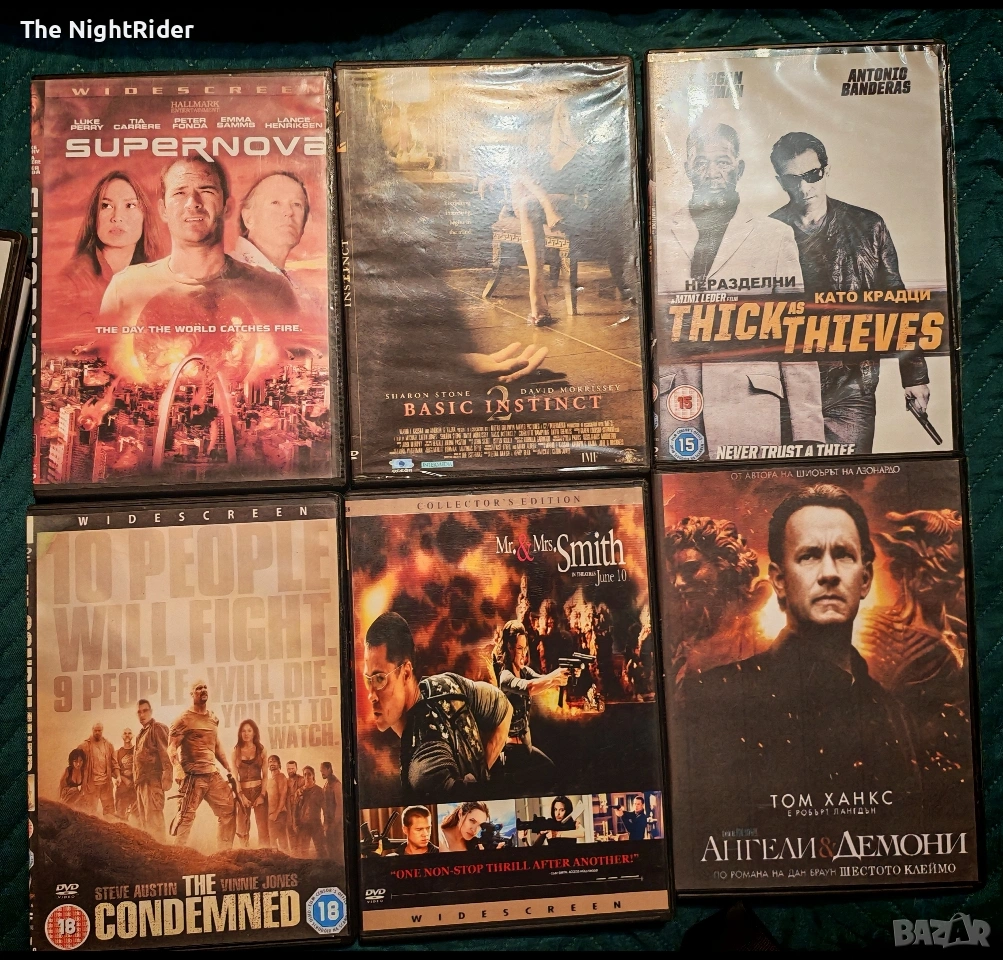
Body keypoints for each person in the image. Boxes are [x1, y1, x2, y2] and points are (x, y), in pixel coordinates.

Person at [683, 484, 920, 800]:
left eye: (843, 555)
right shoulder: (716, 697)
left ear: (865, 580)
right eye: (809, 556)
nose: (829, 573)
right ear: (779, 580)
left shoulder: (894, 714)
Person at [657, 122, 823, 454]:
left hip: (750, 407)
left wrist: (809, 431)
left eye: (722, 161)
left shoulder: (774, 236)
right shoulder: (658, 233)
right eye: (701, 162)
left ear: (740, 168)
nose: (712, 172)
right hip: (677, 404)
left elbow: (795, 335)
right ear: (687, 169)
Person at [769, 131, 932, 454]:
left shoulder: (867, 226)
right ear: (779, 181)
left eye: (812, 175)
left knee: (849, 474)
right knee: (790, 476)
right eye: (792, 179)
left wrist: (914, 376)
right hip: (787, 389)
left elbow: (897, 305)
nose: (804, 187)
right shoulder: (766, 233)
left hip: (852, 385)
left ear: (826, 170)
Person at [363, 611, 512, 797]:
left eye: (380, 678)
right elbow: (504, 706)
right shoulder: (446, 684)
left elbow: (504, 708)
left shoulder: (423, 767)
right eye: (368, 679)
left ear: (406, 673)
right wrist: (482, 772)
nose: (371, 695)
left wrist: (482, 773)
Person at [662, 516, 772, 682]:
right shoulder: (685, 646)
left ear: (723, 564)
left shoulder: (763, 638)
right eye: (673, 575)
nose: (678, 583)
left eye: (690, 569)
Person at [52, 171, 161, 322]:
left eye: (130, 205)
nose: (117, 217)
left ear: (145, 215)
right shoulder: (73, 281)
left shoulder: (156, 275)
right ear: (94, 216)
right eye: (106, 205)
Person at [493, 620, 568, 782]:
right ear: (509, 648)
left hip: (526, 747)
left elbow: (542, 681)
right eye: (519, 648)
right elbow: (530, 687)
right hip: (512, 751)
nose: (524, 653)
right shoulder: (505, 676)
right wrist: (555, 676)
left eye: (525, 648)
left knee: (552, 771)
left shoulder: (525, 672)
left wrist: (562, 676)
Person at [167, 679, 236, 849]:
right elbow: (171, 747)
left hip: (212, 774)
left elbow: (216, 745)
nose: (203, 690)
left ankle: (224, 853)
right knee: (185, 816)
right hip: (192, 777)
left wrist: (228, 768)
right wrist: (177, 768)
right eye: (198, 688)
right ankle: (177, 855)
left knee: (228, 809)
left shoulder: (213, 718)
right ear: (192, 694)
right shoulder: (183, 719)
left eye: (205, 687)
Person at [232, 171, 309, 273]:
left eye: (296, 204)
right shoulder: (230, 273)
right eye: (275, 202)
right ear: (249, 218)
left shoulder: (281, 279)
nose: (289, 212)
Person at [134, 698, 171, 840]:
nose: (142, 715)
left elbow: (165, 753)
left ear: (151, 711)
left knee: (155, 824)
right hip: (141, 783)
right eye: (139, 712)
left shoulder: (157, 728)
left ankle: (161, 852)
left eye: (145, 711)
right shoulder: (140, 734)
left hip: (153, 782)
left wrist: (167, 777)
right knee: (145, 826)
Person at [232, 719, 269, 848]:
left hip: (259, 790)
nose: (246, 733)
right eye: (243, 731)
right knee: (242, 828)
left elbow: (265, 775)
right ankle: (245, 853)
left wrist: (262, 795)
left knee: (263, 827)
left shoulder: (261, 750)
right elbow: (235, 778)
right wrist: (241, 796)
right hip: (243, 792)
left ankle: (265, 855)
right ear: (240, 733)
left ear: (254, 733)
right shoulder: (236, 752)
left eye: (249, 730)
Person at [77, 722, 119, 818]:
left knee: (109, 814)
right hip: (91, 786)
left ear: (102, 731)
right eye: (95, 730)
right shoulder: (85, 746)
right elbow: (76, 762)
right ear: (92, 730)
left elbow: (114, 763)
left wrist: (118, 776)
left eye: (99, 730)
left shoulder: (108, 745)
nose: (97, 732)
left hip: (106, 785)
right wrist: (79, 781)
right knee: (90, 814)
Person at [293, 766, 325, 858]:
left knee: (320, 850)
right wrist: (296, 824)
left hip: (316, 824)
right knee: (304, 851)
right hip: (304, 825)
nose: (307, 776)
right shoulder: (299, 792)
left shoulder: (319, 791)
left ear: (313, 775)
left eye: (309, 774)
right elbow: (295, 810)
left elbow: (325, 809)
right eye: (305, 774)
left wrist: (325, 823)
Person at [265, 755, 290, 853]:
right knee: (273, 844)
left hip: (280, 814)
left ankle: (287, 860)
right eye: (270, 762)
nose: (272, 763)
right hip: (271, 816)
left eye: (274, 761)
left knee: (282, 842)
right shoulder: (269, 780)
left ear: (279, 764)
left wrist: (276, 813)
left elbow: (283, 796)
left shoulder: (281, 777)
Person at [115, 728, 137, 821]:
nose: (127, 735)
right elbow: (113, 770)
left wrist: (133, 773)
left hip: (135, 787)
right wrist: (124, 779)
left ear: (133, 735)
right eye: (125, 733)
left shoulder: (137, 750)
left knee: (137, 816)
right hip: (122, 789)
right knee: (120, 815)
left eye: (129, 733)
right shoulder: (117, 752)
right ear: (122, 736)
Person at [320, 761, 341, 856]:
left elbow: (339, 806)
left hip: (336, 825)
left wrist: (334, 824)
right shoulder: (326, 784)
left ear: (329, 769)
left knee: (337, 851)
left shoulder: (336, 785)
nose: (321, 772)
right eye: (321, 771)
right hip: (328, 823)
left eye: (323, 770)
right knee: (330, 850)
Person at [285, 760, 304, 853]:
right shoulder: (285, 781)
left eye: (292, 768)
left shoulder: (301, 779)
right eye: (289, 769)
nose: (291, 770)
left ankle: (301, 854)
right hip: (288, 810)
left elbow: (308, 785)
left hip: (299, 810)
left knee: (299, 832)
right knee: (290, 831)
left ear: (296, 768)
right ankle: (294, 853)